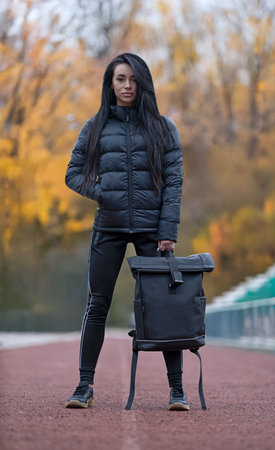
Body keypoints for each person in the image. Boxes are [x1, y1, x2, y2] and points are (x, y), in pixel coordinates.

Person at [65, 53, 187, 411]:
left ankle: (177, 390)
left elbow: (174, 183)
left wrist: (168, 229)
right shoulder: (95, 126)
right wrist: (104, 194)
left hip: (154, 230)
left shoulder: (164, 128)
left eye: (133, 80)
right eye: (120, 79)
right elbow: (73, 174)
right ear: (111, 84)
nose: (127, 86)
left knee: (164, 307)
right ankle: (84, 386)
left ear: (143, 83)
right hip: (110, 226)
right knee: (97, 304)